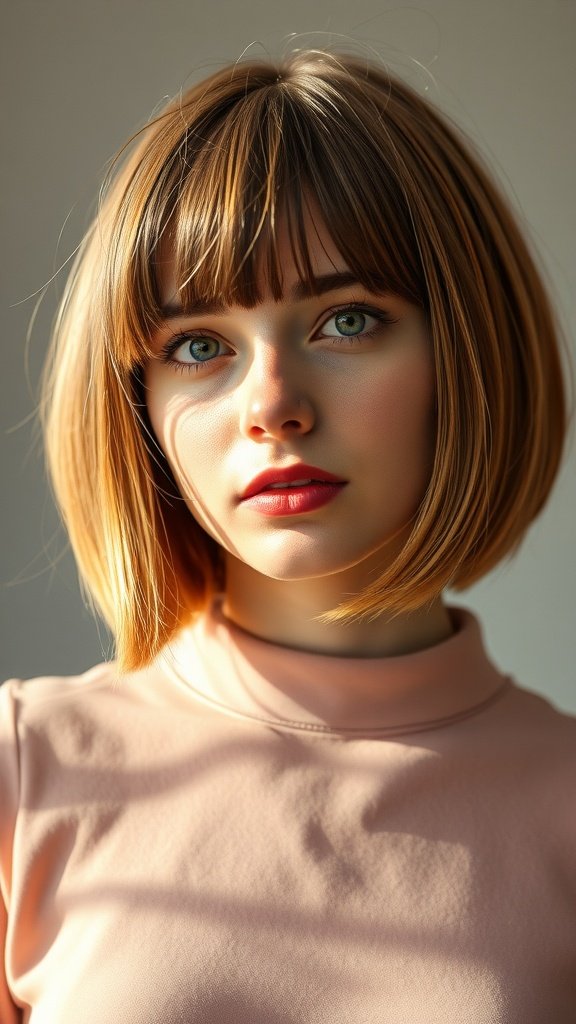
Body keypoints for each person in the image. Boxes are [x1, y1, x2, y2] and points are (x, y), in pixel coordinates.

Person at [1, 49, 574, 1022]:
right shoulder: (24, 775)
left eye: (347, 320)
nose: (271, 405)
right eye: (198, 345)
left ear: (468, 350)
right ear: (136, 402)